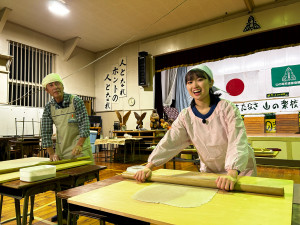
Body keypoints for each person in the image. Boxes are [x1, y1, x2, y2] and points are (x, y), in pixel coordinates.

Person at [134, 65, 257, 191]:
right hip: (211, 172)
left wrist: (232, 173)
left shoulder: (227, 108)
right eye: (190, 82)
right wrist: (149, 166)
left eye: (200, 79)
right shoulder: (186, 115)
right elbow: (170, 141)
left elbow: (236, 140)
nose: (195, 86)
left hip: (239, 170)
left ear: (211, 82)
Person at [41, 73, 94, 223]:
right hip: (62, 151)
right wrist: (51, 153)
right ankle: (64, 212)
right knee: (61, 185)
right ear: (47, 90)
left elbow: (84, 124)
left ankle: (74, 214)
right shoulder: (48, 107)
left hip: (79, 150)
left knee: (76, 185)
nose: (55, 87)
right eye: (51, 85)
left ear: (62, 86)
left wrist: (79, 145)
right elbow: (45, 131)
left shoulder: (75, 101)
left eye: (57, 84)